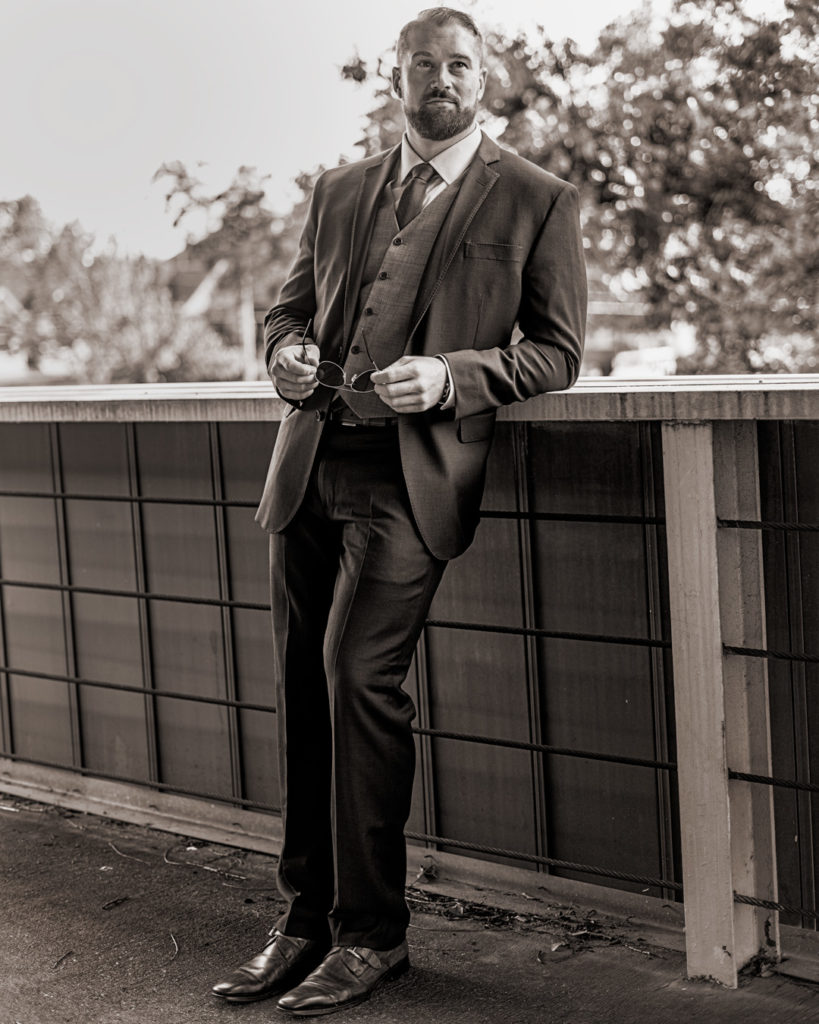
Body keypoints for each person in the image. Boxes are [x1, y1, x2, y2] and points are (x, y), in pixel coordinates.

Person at [211, 6, 586, 1017]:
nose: (442, 79)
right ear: (397, 77)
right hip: (310, 461)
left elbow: (557, 350)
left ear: (484, 75)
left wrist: (455, 374)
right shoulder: (336, 191)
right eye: (423, 64)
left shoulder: (537, 198)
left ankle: (372, 935)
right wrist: (285, 353)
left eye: (459, 63)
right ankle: (302, 922)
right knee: (300, 685)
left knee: (356, 678)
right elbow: (289, 311)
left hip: (411, 481)